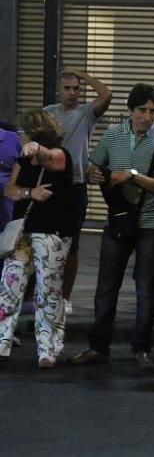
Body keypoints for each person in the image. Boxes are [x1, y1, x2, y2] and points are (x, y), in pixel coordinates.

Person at [72, 84, 154, 369]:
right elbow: (95, 167)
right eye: (142, 110)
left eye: (153, 111)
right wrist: (96, 174)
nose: (147, 116)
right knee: (106, 286)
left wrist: (132, 176)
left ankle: (141, 348)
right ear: (130, 111)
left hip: (151, 222)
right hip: (118, 218)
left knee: (146, 288)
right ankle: (98, 345)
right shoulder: (113, 135)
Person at [0, 111, 73, 366]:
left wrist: (38, 148)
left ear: (34, 132)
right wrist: (30, 192)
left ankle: (48, 350)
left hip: (51, 233)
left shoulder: (60, 154)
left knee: (48, 291)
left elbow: (52, 159)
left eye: (22, 132)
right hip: (22, 232)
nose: (18, 136)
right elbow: (10, 190)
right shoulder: (22, 159)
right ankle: (1, 342)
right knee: (9, 286)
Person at [43, 69, 112, 316]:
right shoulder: (48, 114)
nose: (72, 93)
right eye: (67, 88)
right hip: (50, 186)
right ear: (59, 90)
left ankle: (66, 297)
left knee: (71, 245)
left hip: (75, 187)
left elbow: (106, 94)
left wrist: (82, 74)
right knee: (45, 244)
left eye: (76, 88)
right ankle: (42, 294)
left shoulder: (86, 113)